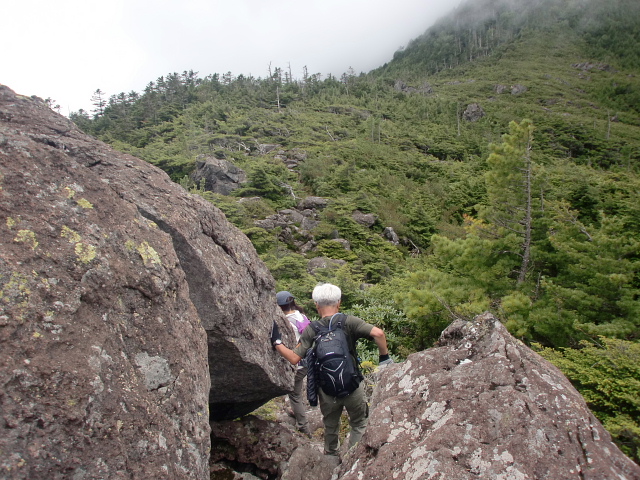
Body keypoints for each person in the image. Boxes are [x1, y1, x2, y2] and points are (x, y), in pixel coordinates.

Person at [271, 283, 392, 458]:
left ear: (316, 305)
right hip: (353, 385)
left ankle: (330, 458)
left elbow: (294, 358)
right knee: (358, 424)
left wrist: (277, 343)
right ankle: (353, 460)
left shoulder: (312, 329)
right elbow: (379, 334)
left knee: (330, 426)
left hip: (326, 390)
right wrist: (384, 359)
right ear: (339, 302)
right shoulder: (348, 321)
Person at [276, 290, 311, 435]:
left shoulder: (286, 322)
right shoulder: (301, 316)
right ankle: (297, 411)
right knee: (297, 389)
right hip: (308, 359)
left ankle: (304, 426)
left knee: (294, 394)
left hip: (297, 361)